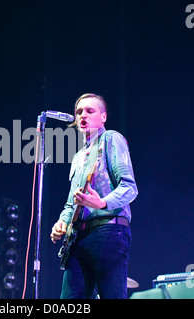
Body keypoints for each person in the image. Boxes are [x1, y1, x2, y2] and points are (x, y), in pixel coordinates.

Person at [50, 93, 138, 299]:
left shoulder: (111, 139)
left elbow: (129, 186)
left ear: (103, 117)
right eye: (79, 111)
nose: (83, 115)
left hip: (108, 229)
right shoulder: (78, 157)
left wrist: (103, 202)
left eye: (90, 111)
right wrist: (61, 222)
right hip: (78, 237)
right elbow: (72, 202)